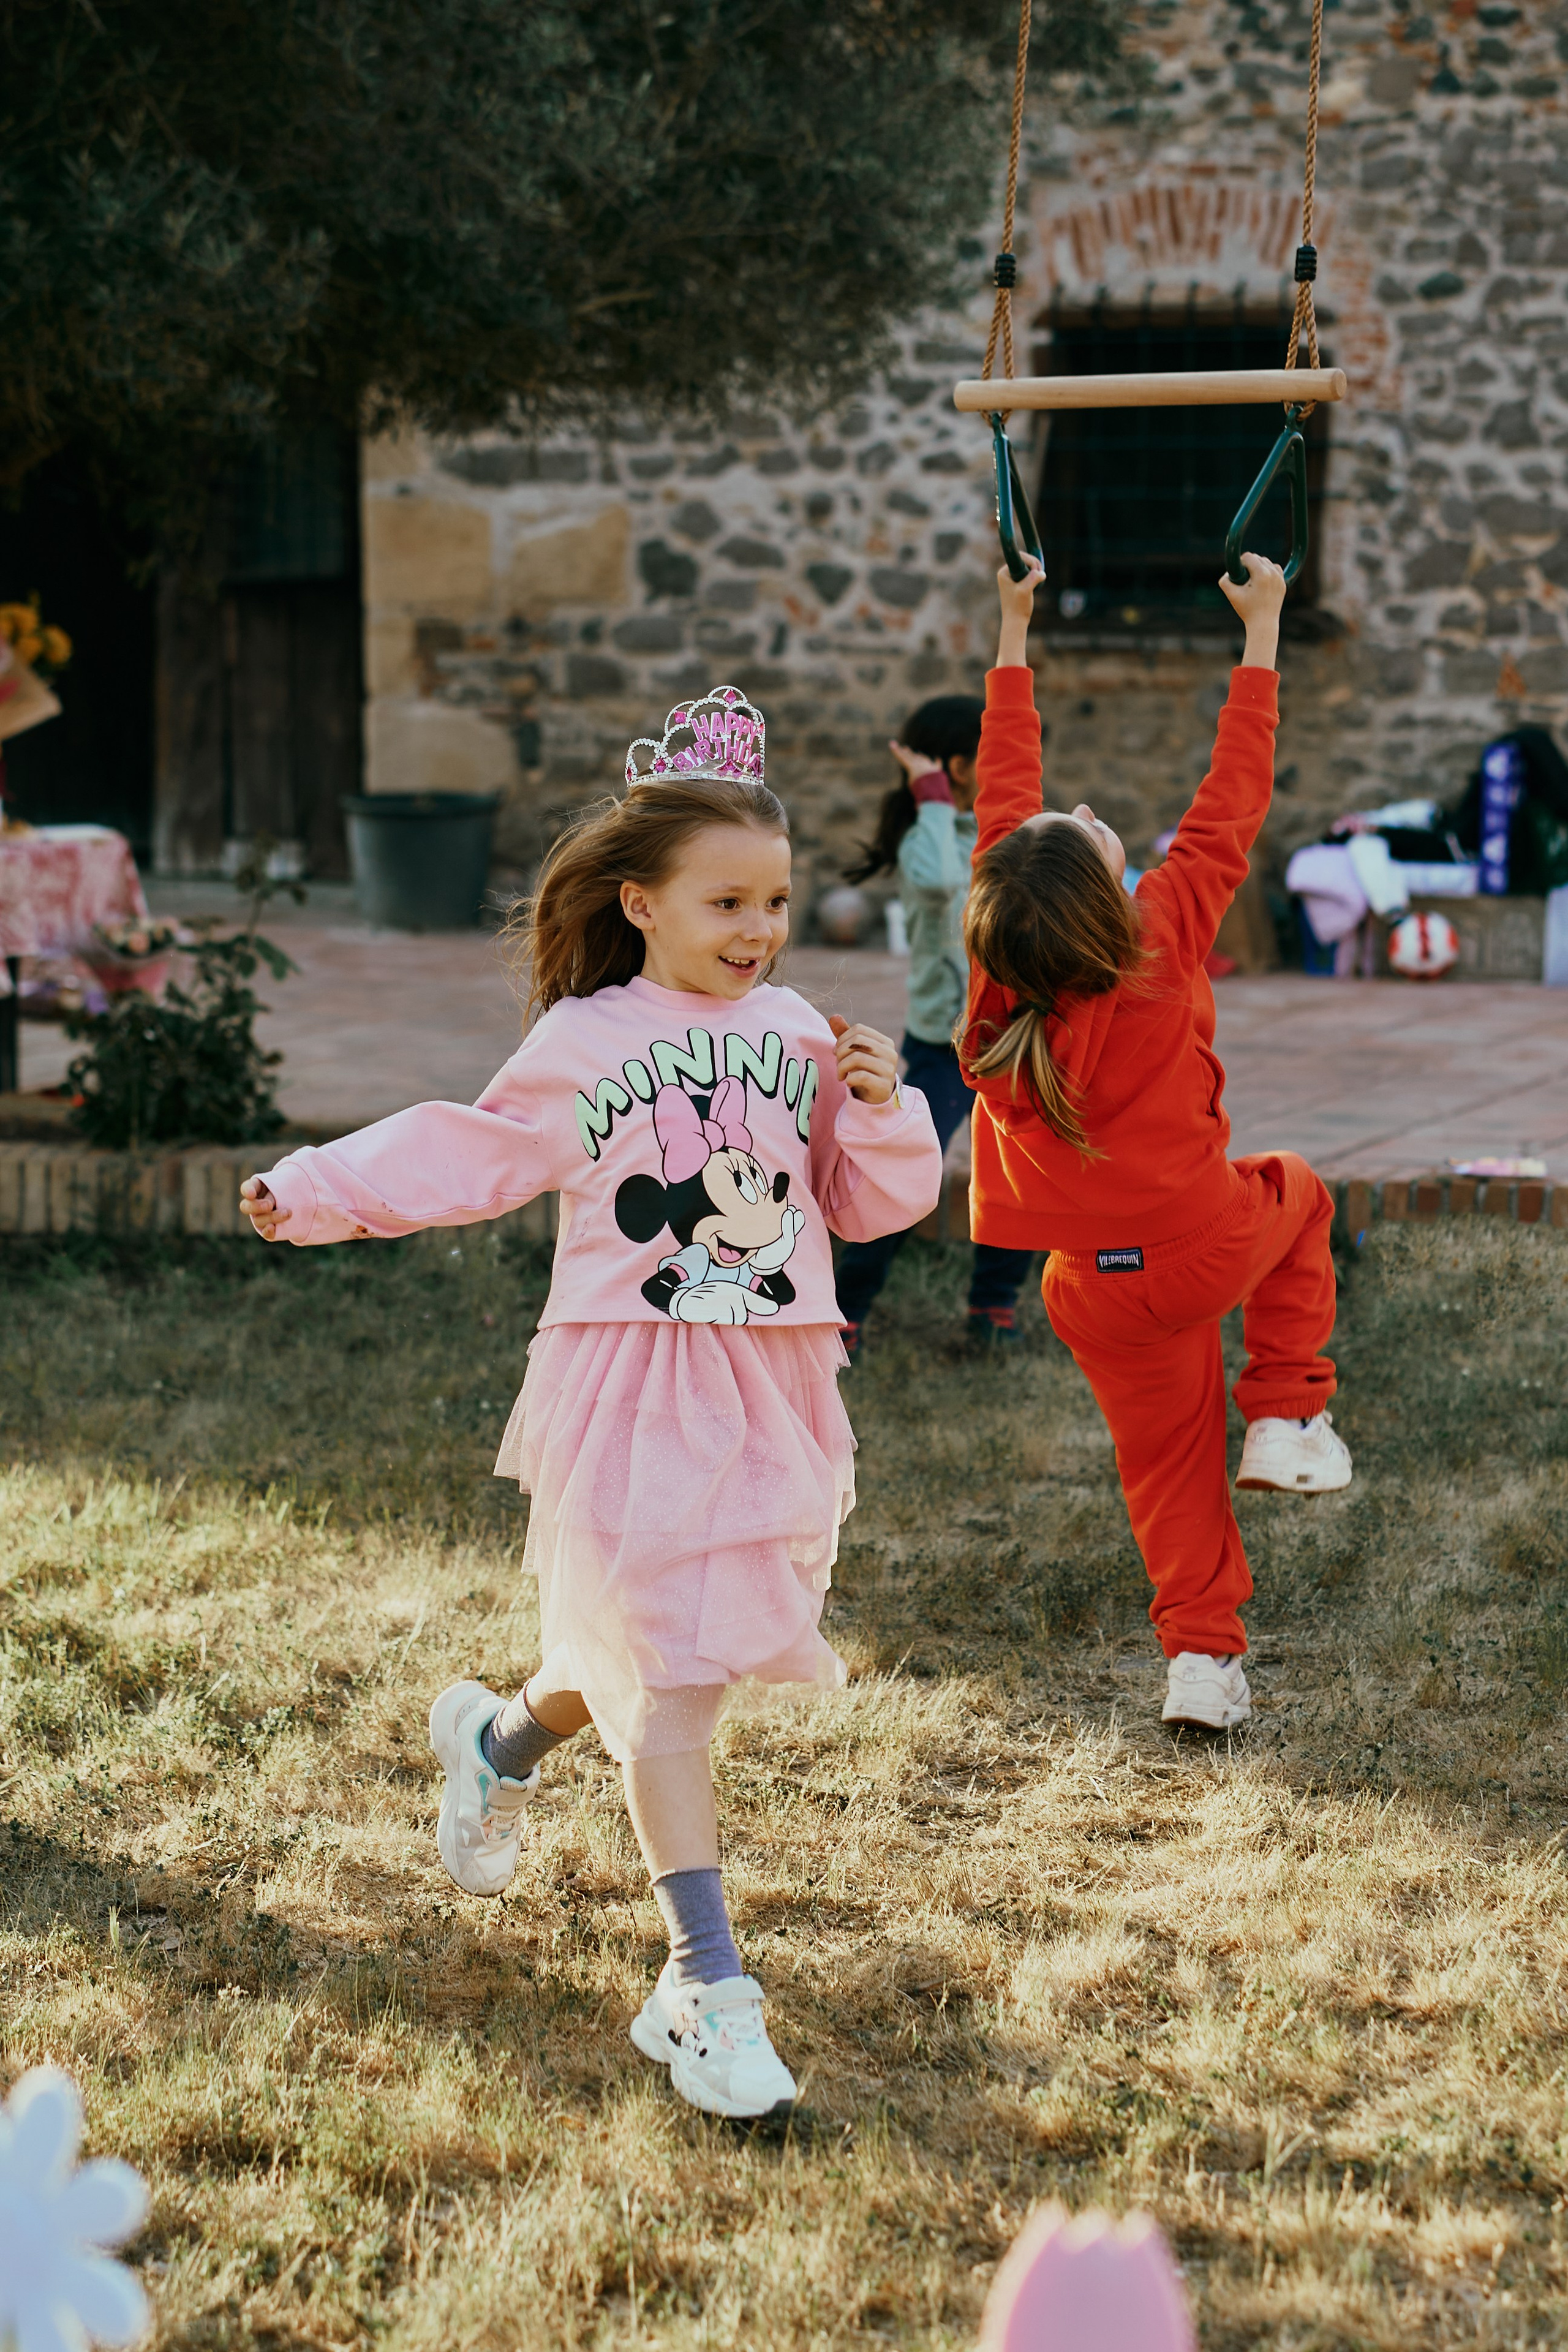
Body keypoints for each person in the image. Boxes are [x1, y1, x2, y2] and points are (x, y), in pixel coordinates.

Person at [237, 685, 942, 2118]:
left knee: (667, 1647)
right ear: (640, 903)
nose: (757, 929)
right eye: (726, 902)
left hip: (769, 1380)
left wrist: (878, 1106)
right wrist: (314, 1187)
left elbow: (869, 1204)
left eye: (775, 902)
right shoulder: (586, 1039)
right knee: (667, 1675)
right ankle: (705, 1988)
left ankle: (493, 1745)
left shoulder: (800, 1031)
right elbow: (471, 1149)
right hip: (630, 1377)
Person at [959, 555, 1351, 1735]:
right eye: (1078, 828)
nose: (1078, 809)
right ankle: (1286, 1413)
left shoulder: (999, 983)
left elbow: (1003, 804)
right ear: (1105, 890)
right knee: (1301, 1191)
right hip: (1203, 1242)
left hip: (1093, 1291)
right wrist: (1262, 632)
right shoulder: (1161, 933)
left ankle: (1201, 1667)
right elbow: (1234, 795)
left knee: (1168, 1470)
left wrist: (1015, 629)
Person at [836, 697, 1033, 1355]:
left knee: (1019, 1173)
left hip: (1009, 1038)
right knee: (905, 1171)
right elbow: (946, 881)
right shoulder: (928, 836)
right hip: (943, 1043)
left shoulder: (1005, 828)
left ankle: (994, 1306)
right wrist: (932, 798)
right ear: (958, 766)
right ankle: (845, 1313)